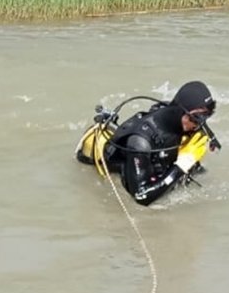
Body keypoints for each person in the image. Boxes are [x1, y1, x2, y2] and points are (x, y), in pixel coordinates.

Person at [75, 81, 219, 206]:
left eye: (204, 118)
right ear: (179, 111)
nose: (199, 124)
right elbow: (141, 197)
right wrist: (182, 165)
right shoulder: (140, 142)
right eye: (196, 119)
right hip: (130, 170)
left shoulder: (184, 120)